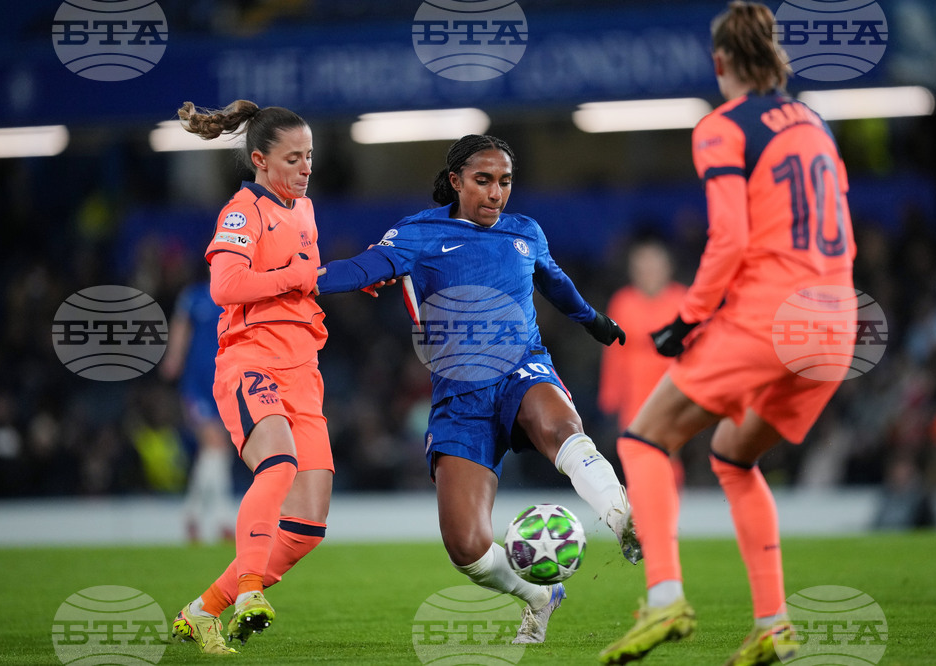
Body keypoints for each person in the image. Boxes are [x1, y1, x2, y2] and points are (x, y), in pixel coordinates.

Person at [599, 3, 856, 665]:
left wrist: (689, 318)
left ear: (720, 62)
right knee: (733, 457)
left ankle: (664, 598)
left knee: (642, 439)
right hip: (837, 321)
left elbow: (732, 238)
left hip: (770, 315)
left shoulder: (723, 126)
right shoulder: (815, 123)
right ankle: (773, 624)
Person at [316, 134, 640, 645]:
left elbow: (554, 281)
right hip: (459, 396)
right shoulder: (418, 234)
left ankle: (624, 519)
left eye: (505, 181)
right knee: (466, 547)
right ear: (456, 181)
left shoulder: (525, 231)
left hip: (521, 367)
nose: (495, 193)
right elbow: (360, 269)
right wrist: (293, 280)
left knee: (561, 426)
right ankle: (539, 595)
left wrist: (592, 320)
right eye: (483, 180)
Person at [168, 99, 329, 655]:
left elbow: (305, 279)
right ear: (260, 160)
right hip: (252, 360)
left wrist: (348, 278)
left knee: (306, 527)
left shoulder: (304, 209)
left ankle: (200, 613)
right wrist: (294, 275)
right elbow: (225, 286)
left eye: (309, 156)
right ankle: (249, 590)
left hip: (303, 369)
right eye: (293, 158)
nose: (306, 168)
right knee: (278, 463)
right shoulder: (243, 211)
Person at [598, 238, 687, 485]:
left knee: (668, 448)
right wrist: (610, 395)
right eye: (642, 268)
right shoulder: (623, 301)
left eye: (654, 266)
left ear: (667, 268)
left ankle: (670, 499)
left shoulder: (682, 299)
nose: (649, 273)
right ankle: (641, 500)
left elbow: (696, 348)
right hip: (634, 388)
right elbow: (614, 352)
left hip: (672, 385)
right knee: (635, 448)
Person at [160, 277, 236, 544]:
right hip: (197, 383)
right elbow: (180, 326)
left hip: (227, 380)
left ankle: (192, 513)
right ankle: (223, 518)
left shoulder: (238, 293)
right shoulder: (194, 296)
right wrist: (174, 358)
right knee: (216, 444)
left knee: (216, 450)